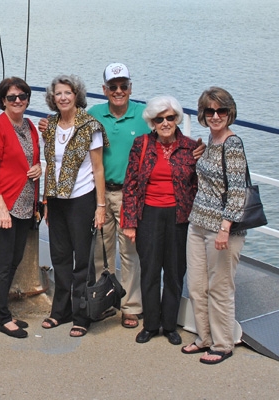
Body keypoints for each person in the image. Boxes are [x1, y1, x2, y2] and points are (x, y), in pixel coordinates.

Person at [121, 96, 199, 345]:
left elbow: (197, 185)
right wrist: (130, 222)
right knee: (150, 271)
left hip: (179, 217)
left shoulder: (190, 147)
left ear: (177, 118)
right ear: (152, 122)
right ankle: (151, 324)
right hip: (149, 215)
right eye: (159, 119)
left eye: (170, 117)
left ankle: (170, 325)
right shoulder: (141, 144)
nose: (165, 122)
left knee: (175, 273)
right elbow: (130, 185)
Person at [40, 75, 108, 338]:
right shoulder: (51, 125)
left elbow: (98, 169)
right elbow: (51, 166)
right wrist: (47, 201)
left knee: (82, 260)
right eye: (58, 93)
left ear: (77, 95)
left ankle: (82, 314)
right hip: (57, 200)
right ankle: (61, 311)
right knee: (59, 258)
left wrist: (100, 206)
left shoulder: (91, 126)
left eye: (68, 93)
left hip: (82, 199)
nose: (63, 97)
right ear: (53, 98)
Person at [184, 87, 247, 365]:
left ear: (229, 112)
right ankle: (204, 337)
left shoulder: (232, 144)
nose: (216, 116)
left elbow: (237, 190)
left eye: (221, 111)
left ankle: (223, 344)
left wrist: (225, 227)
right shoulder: (210, 140)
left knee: (220, 287)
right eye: (210, 111)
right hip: (197, 223)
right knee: (197, 286)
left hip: (221, 230)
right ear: (203, 114)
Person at [0, 77, 40, 339]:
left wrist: (39, 168)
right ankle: (2, 317)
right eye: (11, 97)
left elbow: (31, 160)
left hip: (23, 204)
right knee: (2, 263)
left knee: (14, 260)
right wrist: (1, 208)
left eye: (22, 96)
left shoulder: (30, 126)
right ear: (3, 100)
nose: (17, 101)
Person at [86, 63, 147, 328]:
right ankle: (104, 300)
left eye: (123, 86)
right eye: (113, 87)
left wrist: (192, 151)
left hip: (130, 195)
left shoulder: (144, 115)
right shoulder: (94, 114)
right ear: (104, 89)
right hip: (101, 192)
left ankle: (131, 306)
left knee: (130, 252)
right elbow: (70, 135)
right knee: (101, 250)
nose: (118, 91)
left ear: (130, 88)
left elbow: (168, 136)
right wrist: (47, 126)